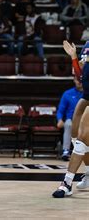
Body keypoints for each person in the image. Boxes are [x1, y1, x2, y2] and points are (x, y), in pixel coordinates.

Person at [52, 40, 89, 197]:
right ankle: (88, 173)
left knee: (82, 139)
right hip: (87, 94)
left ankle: (66, 183)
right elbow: (80, 74)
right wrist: (74, 57)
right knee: (76, 136)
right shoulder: (87, 44)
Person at [57, 78, 84, 161]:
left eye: (81, 80)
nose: (79, 82)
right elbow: (60, 110)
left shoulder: (87, 93)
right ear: (74, 80)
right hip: (71, 119)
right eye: (77, 80)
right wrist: (59, 119)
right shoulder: (67, 93)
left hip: (85, 119)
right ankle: (66, 151)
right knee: (68, 124)